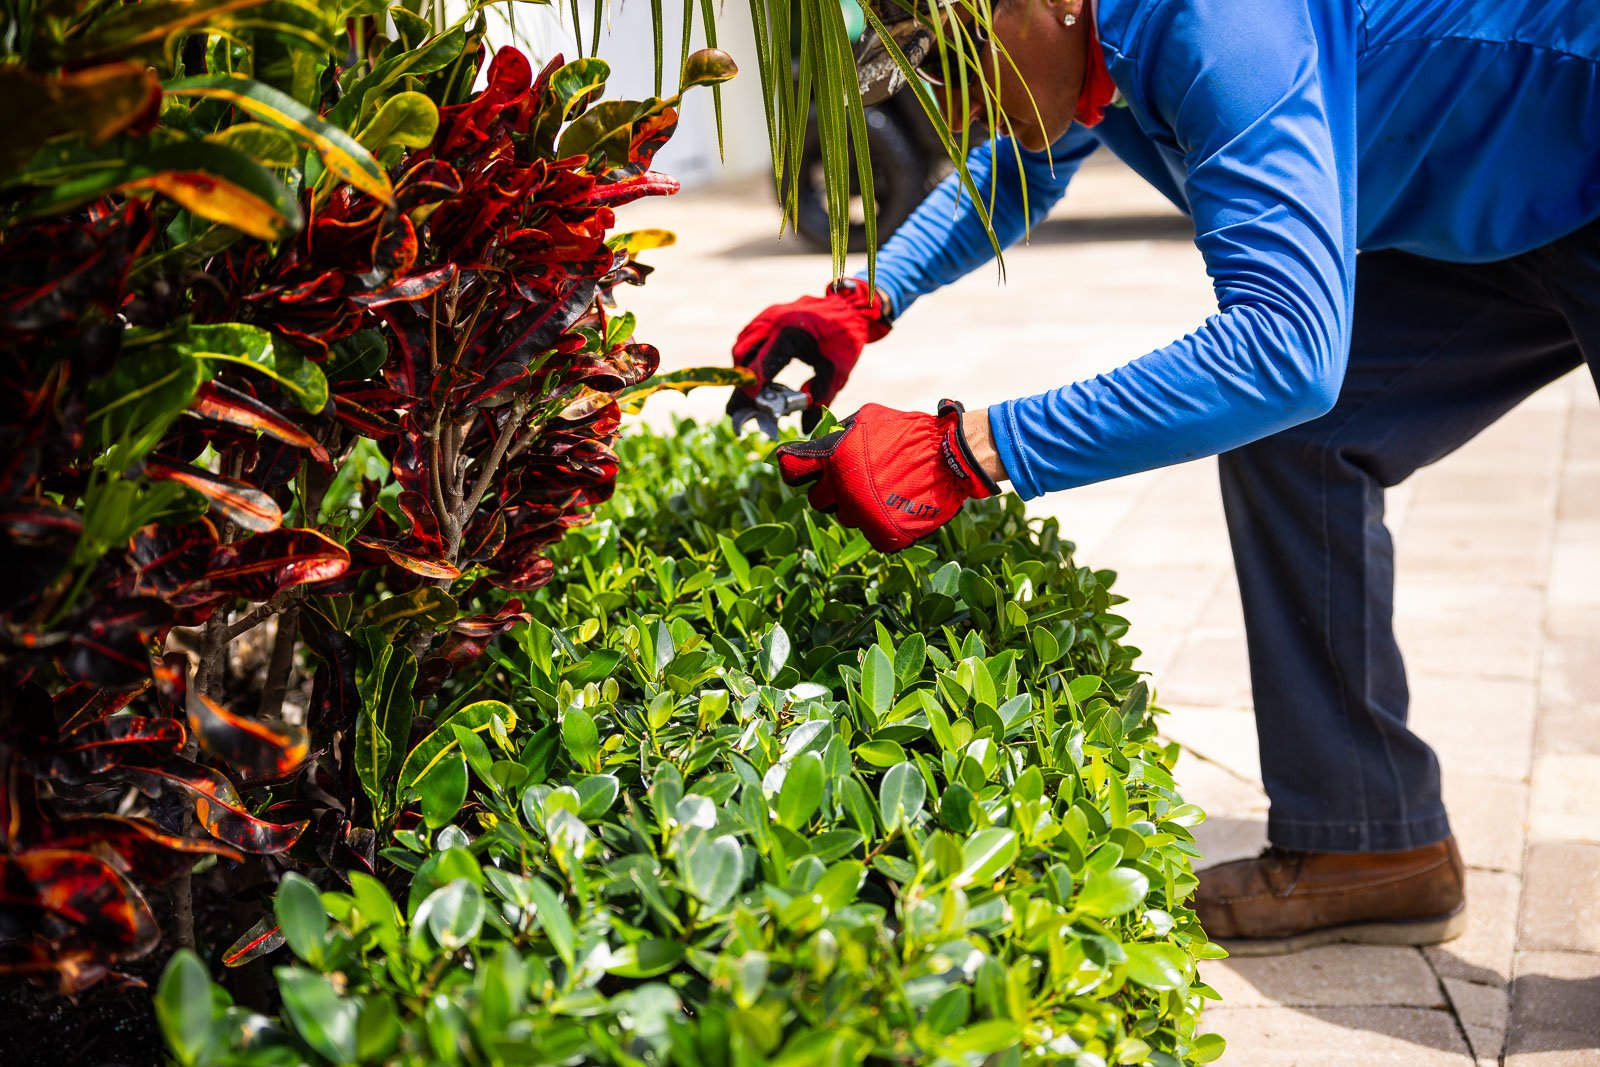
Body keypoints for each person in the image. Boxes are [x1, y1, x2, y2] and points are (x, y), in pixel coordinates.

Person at [729, 0, 1600, 956]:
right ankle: (1369, 842)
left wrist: (969, 450)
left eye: (961, 54)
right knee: (1301, 443)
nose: (952, 103)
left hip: (1577, 129)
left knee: (1291, 397)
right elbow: (1018, 164)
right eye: (927, 76)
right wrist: (866, 299)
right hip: (1512, 189)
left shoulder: (1221, 27)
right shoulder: (1083, 49)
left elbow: (1284, 350)